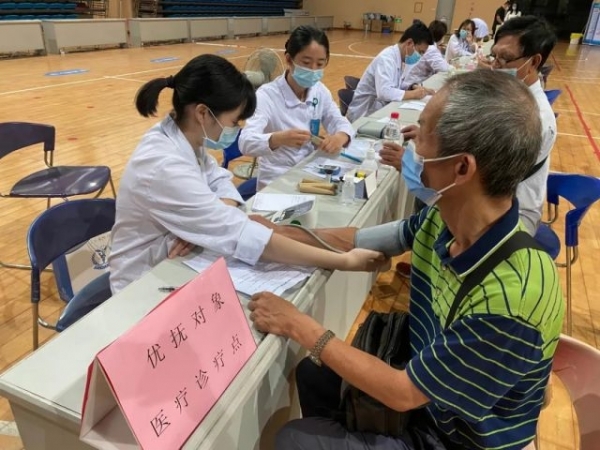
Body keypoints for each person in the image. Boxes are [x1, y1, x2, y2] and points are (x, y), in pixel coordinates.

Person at [249, 70, 564, 450]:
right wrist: (280, 233)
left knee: (293, 439)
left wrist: (299, 325)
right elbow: (359, 239)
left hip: (455, 438)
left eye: (424, 131)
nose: (412, 143)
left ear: (462, 167)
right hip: (431, 397)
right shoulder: (444, 219)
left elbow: (404, 393)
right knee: (314, 375)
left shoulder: (512, 298)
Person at [108, 54, 385, 293]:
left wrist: (206, 219)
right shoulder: (163, 163)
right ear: (202, 113)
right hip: (143, 280)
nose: (235, 128)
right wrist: (343, 261)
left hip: (177, 261)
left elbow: (220, 179)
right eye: (233, 121)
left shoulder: (183, 135)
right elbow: (243, 235)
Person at [239, 26, 355, 189]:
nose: (313, 70)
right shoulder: (267, 95)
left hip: (311, 172)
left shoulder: (319, 91)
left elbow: (338, 120)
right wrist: (278, 139)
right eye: (306, 63)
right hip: (277, 179)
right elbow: (245, 142)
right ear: (288, 60)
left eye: (320, 64)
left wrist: (341, 136)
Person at [479, 15, 558, 233]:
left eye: (505, 59)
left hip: (514, 214)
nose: (495, 66)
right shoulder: (511, 94)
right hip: (494, 198)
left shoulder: (533, 118)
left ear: (533, 62)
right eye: (494, 56)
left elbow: (489, 179)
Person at [346, 21, 434, 122]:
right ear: (409, 43)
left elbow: (395, 85)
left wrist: (413, 87)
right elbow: (384, 92)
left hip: (378, 110)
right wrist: (414, 94)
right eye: (420, 52)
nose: (420, 56)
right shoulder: (386, 58)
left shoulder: (399, 58)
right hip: (363, 116)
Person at [401, 20, 450, 92]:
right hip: (412, 84)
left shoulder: (429, 46)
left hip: (410, 82)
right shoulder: (431, 48)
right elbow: (444, 68)